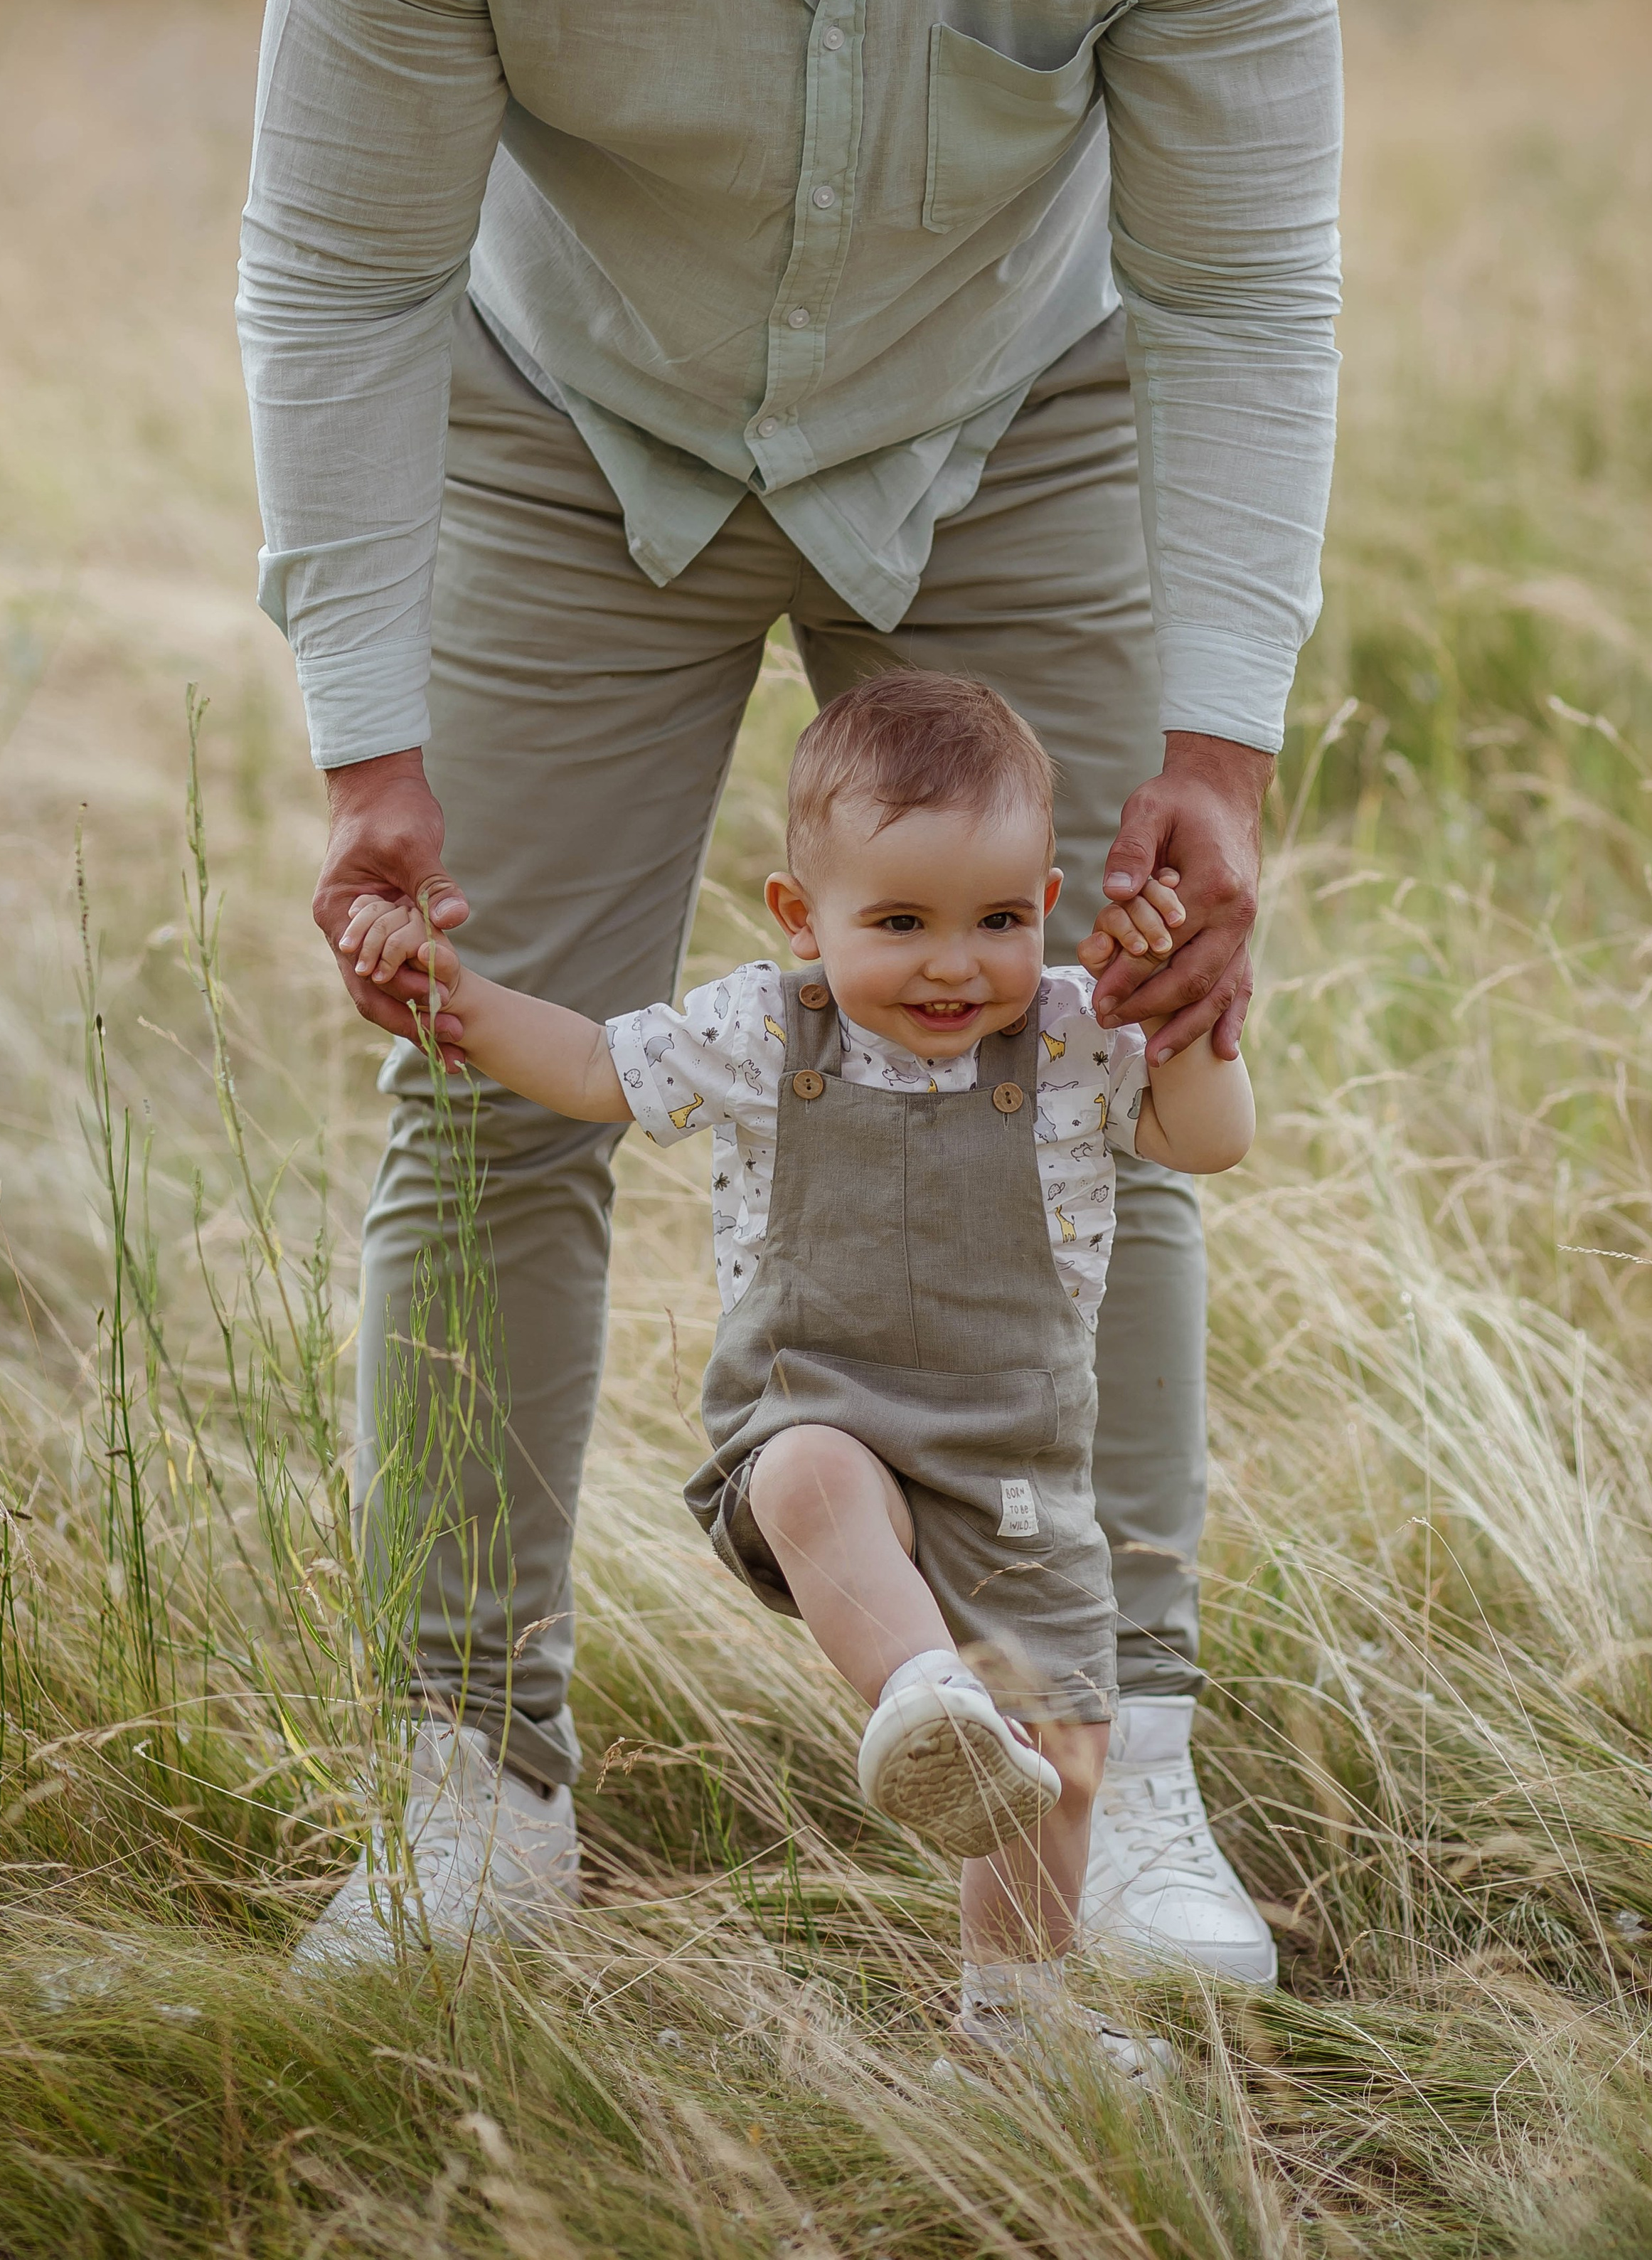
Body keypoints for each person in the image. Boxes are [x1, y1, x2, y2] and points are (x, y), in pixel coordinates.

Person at [240, 0, 1341, 1980]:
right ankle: (470, 1779)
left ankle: (1117, 1761)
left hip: (1005, 412)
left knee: (1098, 1056)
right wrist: (367, 749)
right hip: (558, 425)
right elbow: (344, 265)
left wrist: (1221, 754)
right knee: (475, 1086)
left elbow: (1245, 276)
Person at [313, 674, 1254, 2077]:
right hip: (820, 1417)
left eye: (997, 920)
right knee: (816, 1474)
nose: (953, 966)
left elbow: (1207, 1142)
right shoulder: (765, 1032)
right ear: (799, 918)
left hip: (1014, 1461)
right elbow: (583, 1069)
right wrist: (451, 992)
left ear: (1046, 901)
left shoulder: (1065, 1035)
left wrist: (1179, 1018)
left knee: (1053, 1751)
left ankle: (1015, 2027)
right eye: (899, 925)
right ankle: (920, 1701)